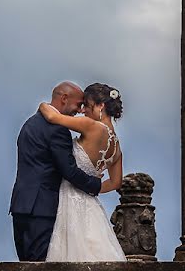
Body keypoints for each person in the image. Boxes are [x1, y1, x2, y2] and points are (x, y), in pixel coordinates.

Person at [9, 82, 102, 261]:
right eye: (78, 104)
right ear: (64, 98)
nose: (80, 109)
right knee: (40, 263)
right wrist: (96, 184)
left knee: (26, 263)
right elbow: (69, 170)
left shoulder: (30, 123)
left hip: (21, 205)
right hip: (42, 208)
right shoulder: (58, 129)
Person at [39, 82, 127, 262]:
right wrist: (92, 186)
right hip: (91, 205)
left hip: (70, 199)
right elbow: (116, 182)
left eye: (87, 105)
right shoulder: (116, 147)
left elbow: (51, 117)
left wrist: (43, 104)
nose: (83, 110)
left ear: (101, 105)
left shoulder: (91, 126)